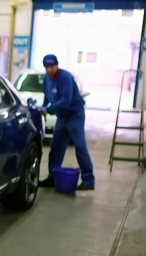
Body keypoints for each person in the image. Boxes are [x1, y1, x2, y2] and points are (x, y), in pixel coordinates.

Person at [38, 54, 95, 191]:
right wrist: (43, 108)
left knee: (80, 147)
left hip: (75, 115)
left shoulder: (66, 77)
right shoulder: (46, 79)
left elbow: (66, 100)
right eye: (47, 67)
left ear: (57, 65)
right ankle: (52, 177)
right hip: (62, 117)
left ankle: (88, 180)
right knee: (56, 148)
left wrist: (49, 108)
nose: (50, 70)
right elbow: (47, 96)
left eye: (52, 66)